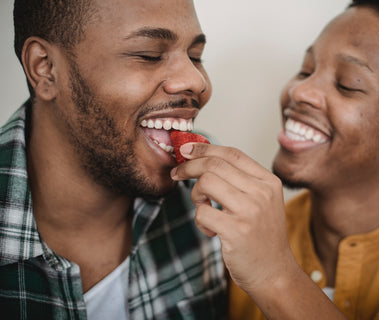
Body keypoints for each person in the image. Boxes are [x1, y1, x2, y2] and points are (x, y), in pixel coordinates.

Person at [170, 0, 379, 319]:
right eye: (306, 69)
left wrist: (275, 277)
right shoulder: (244, 234)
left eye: (347, 85)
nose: (300, 90)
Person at [0, 0, 227, 319]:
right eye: (149, 54)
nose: (197, 82)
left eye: (195, 57)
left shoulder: (210, 193)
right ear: (46, 67)